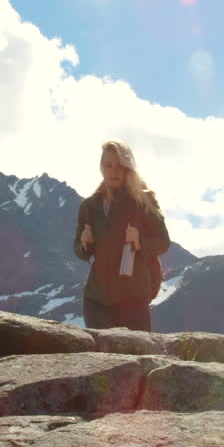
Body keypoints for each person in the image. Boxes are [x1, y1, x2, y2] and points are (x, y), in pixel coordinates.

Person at [73, 140, 170, 331]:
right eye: (108, 165)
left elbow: (163, 242)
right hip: (96, 300)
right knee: (102, 351)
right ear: (101, 167)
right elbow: (79, 250)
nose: (113, 171)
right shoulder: (89, 206)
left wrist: (139, 242)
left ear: (128, 168)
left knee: (138, 350)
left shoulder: (143, 200)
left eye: (119, 166)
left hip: (133, 299)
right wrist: (84, 243)